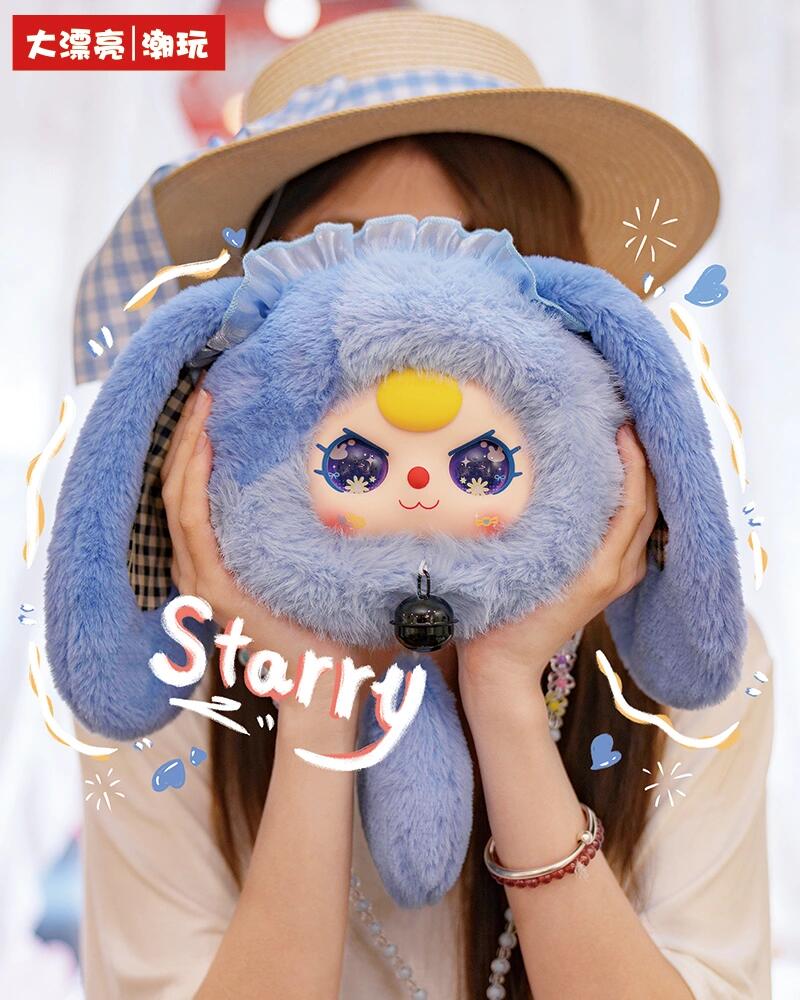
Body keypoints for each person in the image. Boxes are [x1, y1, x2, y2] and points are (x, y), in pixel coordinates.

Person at [73, 11, 773, 1000]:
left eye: (463, 291)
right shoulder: (170, 682)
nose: (407, 384)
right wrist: (313, 707)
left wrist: (506, 698)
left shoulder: (683, 674)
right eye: (349, 283)